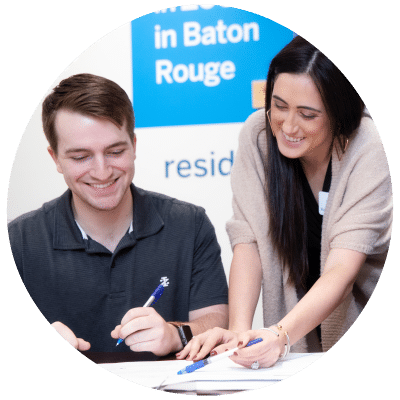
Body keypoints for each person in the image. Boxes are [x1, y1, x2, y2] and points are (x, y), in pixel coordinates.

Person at [177, 36, 392, 368]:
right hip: (303, 332)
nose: (288, 126)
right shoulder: (258, 136)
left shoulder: (369, 146)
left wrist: (280, 334)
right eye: (279, 106)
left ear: (339, 111)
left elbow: (341, 270)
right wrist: (237, 331)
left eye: (307, 114)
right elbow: (248, 243)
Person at [7, 73, 228, 355]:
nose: (102, 171)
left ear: (134, 146)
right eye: (80, 157)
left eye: (114, 151)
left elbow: (217, 322)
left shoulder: (189, 224)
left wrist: (176, 335)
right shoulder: (19, 241)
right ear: (56, 159)